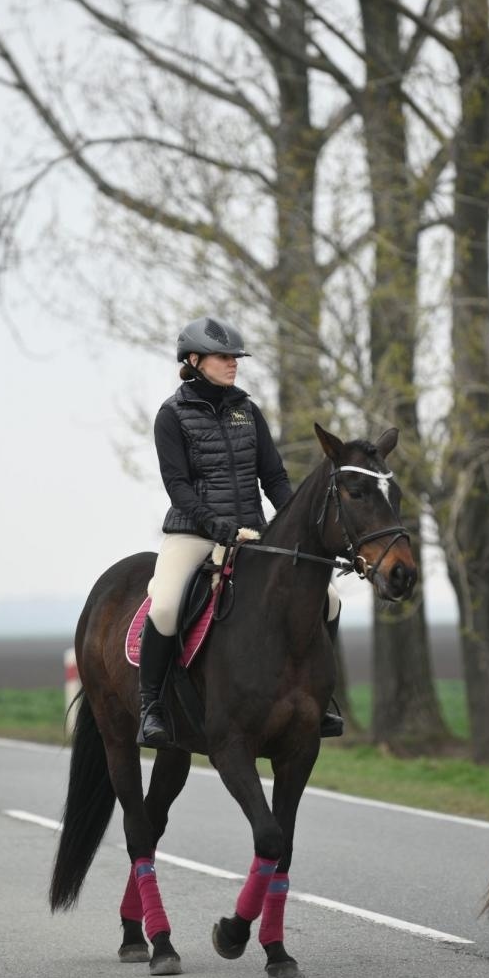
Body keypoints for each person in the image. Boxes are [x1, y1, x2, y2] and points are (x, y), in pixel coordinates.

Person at [138, 316, 343, 748]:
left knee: (329, 598)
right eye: (224, 356)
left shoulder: (246, 410)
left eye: (236, 357)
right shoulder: (171, 416)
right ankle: (151, 706)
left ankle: (320, 697)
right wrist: (212, 523)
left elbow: (273, 476)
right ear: (194, 360)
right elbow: (176, 485)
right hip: (193, 533)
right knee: (166, 607)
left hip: (252, 533)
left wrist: (294, 522)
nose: (233, 364)